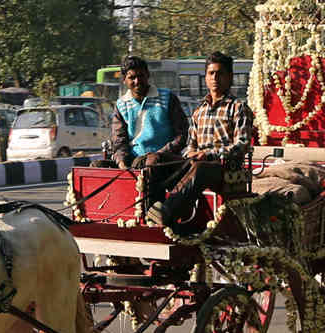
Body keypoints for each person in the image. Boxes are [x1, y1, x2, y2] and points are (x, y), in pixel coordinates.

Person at [146, 52, 254, 230]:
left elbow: (241, 145)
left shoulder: (238, 108)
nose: (215, 78)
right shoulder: (199, 110)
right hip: (196, 164)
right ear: (205, 77)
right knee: (156, 159)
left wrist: (209, 154)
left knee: (201, 168)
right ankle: (150, 210)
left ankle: (167, 212)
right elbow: (190, 144)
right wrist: (191, 153)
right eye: (211, 73)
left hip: (224, 169)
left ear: (230, 77)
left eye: (220, 73)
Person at [101, 55, 188, 170]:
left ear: (147, 75)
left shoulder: (168, 98)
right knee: (97, 167)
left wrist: (160, 154)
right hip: (134, 161)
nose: (137, 81)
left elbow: (182, 135)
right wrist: (122, 163)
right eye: (132, 78)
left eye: (140, 76)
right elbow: (119, 140)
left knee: (151, 161)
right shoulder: (121, 104)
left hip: (165, 161)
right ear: (124, 80)